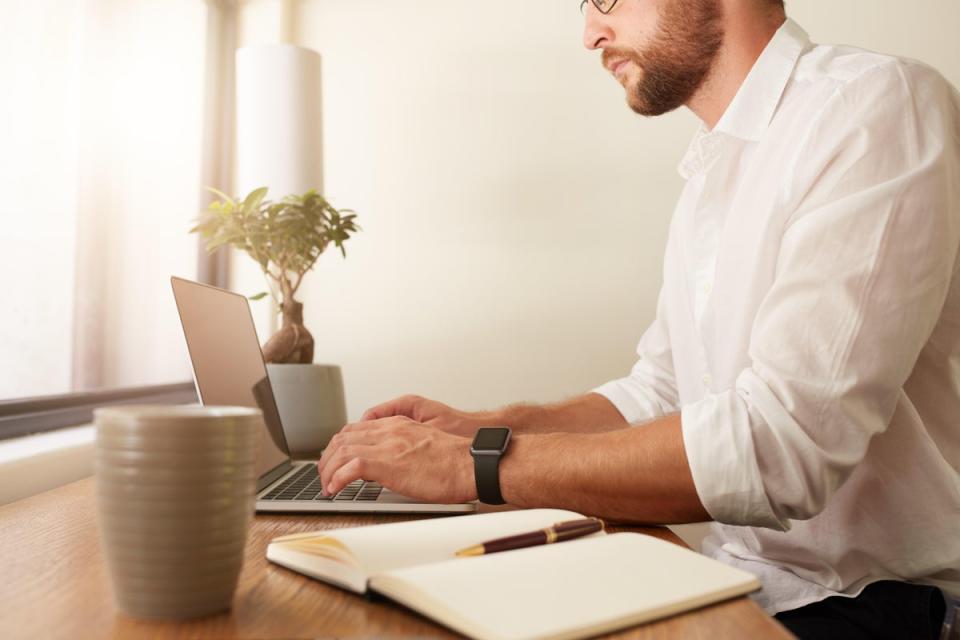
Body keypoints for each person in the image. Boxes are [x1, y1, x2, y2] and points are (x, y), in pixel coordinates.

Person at [318, 0, 960, 636]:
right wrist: (483, 428)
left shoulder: (873, 106)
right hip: (746, 582)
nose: (591, 34)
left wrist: (474, 467)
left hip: (879, 604)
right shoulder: (713, 171)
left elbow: (777, 447)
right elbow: (661, 391)